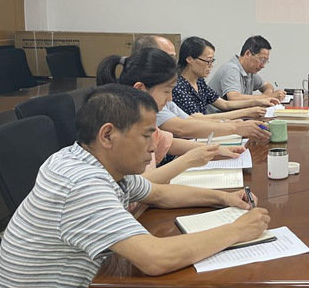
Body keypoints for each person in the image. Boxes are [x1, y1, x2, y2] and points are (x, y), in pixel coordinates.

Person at [0, 84, 270, 288]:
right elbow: (155, 258)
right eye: (147, 135)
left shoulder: (93, 160)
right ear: (108, 135)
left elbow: (159, 193)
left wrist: (224, 198)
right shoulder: (81, 183)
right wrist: (237, 230)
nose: (154, 146)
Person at [97, 48, 246, 184]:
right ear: (140, 89)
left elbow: (168, 142)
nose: (170, 99)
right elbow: (139, 187)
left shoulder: (142, 119)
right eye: (166, 91)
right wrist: (188, 160)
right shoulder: (121, 129)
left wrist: (215, 150)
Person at [131, 35, 271, 142]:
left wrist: (236, 120)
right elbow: (183, 129)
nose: (170, 97)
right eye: (208, 61)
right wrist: (236, 125)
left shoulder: (198, 82)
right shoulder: (175, 88)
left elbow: (193, 119)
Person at [173, 37, 278, 116]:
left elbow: (224, 104)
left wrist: (256, 102)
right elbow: (198, 120)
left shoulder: (199, 82)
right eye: (208, 61)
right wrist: (247, 111)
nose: (211, 66)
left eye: (212, 61)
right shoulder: (179, 86)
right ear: (190, 59)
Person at [207, 35, 286, 105]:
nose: (263, 66)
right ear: (248, 54)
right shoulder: (231, 70)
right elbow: (234, 98)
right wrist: (268, 97)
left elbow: (267, 85)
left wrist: (267, 94)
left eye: (265, 61)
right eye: (262, 60)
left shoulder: (249, 71)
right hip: (217, 116)